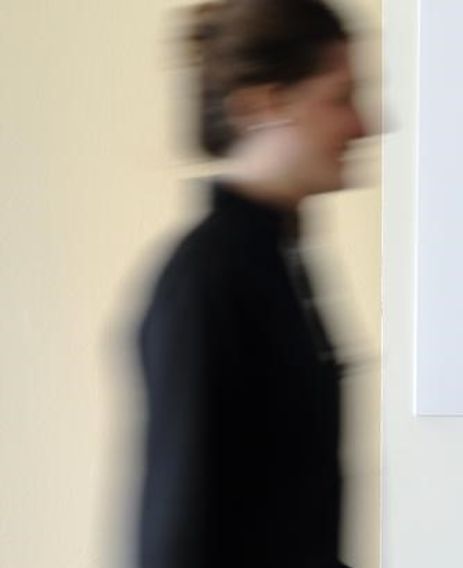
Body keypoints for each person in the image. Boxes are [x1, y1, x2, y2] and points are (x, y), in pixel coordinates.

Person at [134, 1, 366, 566]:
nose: (363, 124)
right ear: (266, 105)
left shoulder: (279, 264)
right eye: (340, 98)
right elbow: (178, 531)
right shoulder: (208, 278)